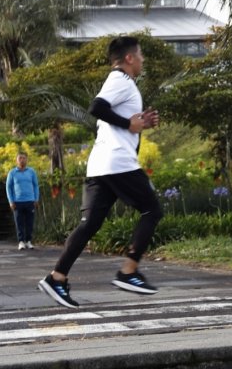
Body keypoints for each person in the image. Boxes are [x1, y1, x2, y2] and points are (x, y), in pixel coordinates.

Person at [38, 35, 163, 308]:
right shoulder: (121, 79)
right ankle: (128, 271)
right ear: (129, 58)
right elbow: (96, 107)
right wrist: (129, 125)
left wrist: (139, 124)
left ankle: (57, 277)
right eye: (140, 55)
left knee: (90, 224)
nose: (142, 60)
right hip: (118, 163)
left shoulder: (121, 83)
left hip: (101, 164)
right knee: (152, 210)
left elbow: (118, 120)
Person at [6, 151, 40, 250]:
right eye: (20, 158)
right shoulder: (12, 173)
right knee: (19, 222)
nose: (22, 160)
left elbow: (36, 186)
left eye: (24, 158)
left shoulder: (31, 172)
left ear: (27, 160)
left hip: (30, 201)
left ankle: (29, 241)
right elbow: (8, 187)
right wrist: (11, 201)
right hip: (17, 202)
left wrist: (36, 198)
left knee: (30, 222)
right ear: (16, 160)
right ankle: (21, 241)